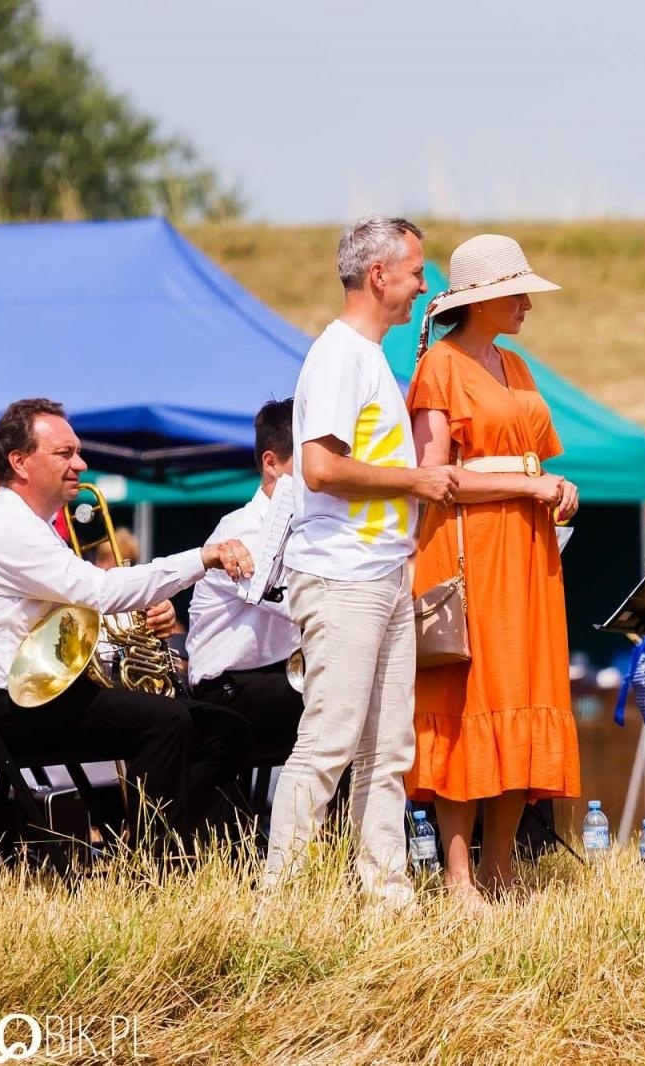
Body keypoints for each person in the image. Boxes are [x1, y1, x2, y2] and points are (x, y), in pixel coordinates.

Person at [0, 398, 256, 841]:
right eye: (64, 453)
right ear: (19, 462)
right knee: (168, 722)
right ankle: (156, 864)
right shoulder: (11, 529)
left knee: (224, 729)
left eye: (76, 451)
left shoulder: (30, 525)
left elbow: (81, 610)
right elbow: (102, 592)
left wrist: (140, 620)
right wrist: (203, 557)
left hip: (38, 693)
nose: (80, 462)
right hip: (17, 704)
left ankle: (180, 848)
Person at [263, 217, 457, 911]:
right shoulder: (340, 354)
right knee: (330, 740)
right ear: (380, 276)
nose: (421, 285)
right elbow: (318, 466)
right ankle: (277, 900)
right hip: (343, 579)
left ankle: (387, 896)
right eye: (415, 271)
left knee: (386, 748)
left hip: (380, 574)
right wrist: (416, 482)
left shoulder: (368, 355)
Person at [405, 233, 581, 906]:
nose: (529, 305)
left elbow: (531, 459)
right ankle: (457, 877)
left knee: (523, 693)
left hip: (530, 552)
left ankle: (501, 868)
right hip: (466, 549)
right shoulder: (439, 366)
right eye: (517, 293)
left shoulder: (517, 366)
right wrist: (527, 489)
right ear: (482, 301)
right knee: (468, 698)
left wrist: (557, 487)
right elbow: (431, 475)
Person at [187, 399, 304, 767]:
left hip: (272, 677)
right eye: (309, 460)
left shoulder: (300, 526)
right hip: (226, 690)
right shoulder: (243, 530)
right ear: (271, 464)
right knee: (343, 699)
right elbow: (299, 605)